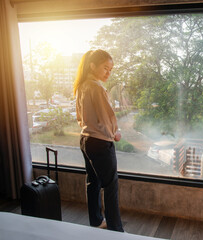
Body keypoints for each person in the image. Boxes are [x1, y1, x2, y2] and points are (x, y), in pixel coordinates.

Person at [74, 49, 124, 232]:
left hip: (85, 139)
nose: (108, 73)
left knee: (93, 182)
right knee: (111, 187)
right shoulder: (96, 87)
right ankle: (116, 229)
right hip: (101, 142)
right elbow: (106, 118)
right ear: (92, 66)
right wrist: (115, 134)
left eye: (110, 70)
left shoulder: (81, 86)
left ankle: (95, 221)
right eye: (105, 68)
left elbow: (80, 117)